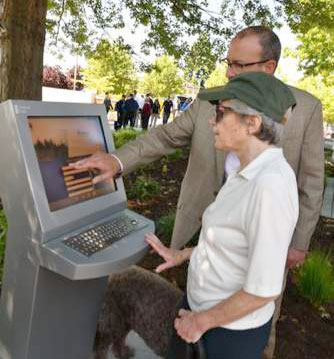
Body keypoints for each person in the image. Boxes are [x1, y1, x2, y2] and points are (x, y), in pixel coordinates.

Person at [72, 26, 324, 358]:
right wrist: (117, 160)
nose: (229, 72)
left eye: (239, 65)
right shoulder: (213, 104)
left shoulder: (294, 132)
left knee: (251, 336)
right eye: (227, 62)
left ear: (268, 68)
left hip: (245, 298)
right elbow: (162, 137)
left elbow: (311, 183)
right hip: (209, 246)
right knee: (190, 323)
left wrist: (298, 244)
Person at [146, 71, 298, 359]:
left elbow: (263, 290)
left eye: (220, 112)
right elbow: (232, 241)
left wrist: (200, 322)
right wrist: (184, 254)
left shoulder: (269, 186)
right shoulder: (244, 170)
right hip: (206, 314)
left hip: (225, 334)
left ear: (251, 123)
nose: (210, 121)